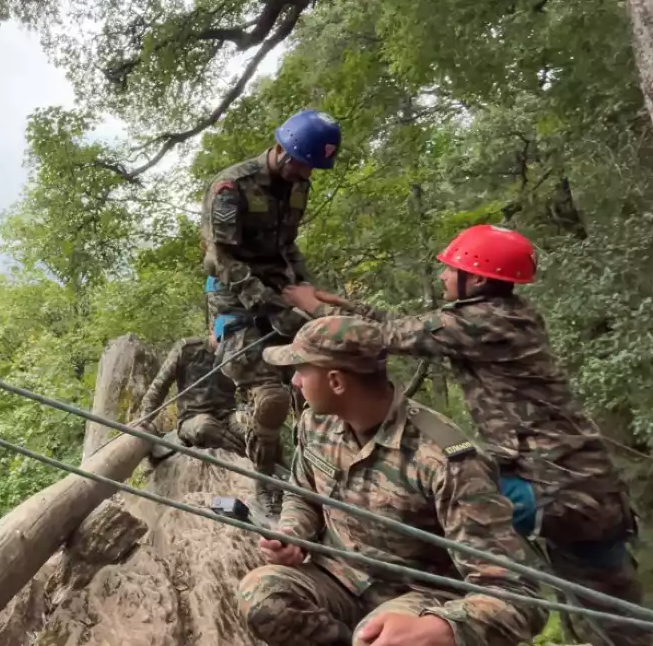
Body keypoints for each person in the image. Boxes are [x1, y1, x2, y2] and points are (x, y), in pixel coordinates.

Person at [283, 225, 643, 646]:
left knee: (443, 525)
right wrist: (344, 303)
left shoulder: (488, 321)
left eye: (452, 269)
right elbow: (407, 326)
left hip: (559, 487)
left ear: (479, 279)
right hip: (566, 481)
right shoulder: (498, 316)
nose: (442, 276)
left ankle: (433, 618)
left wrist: (315, 312)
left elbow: (387, 338)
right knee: (599, 616)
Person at [236, 315, 545, 646]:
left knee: (375, 638)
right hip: (338, 576)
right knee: (262, 595)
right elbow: (302, 496)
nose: (295, 381)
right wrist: (292, 534)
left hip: (418, 593)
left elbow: (518, 594)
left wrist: (441, 628)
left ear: (336, 382)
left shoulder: (444, 458)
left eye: (301, 370)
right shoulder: (315, 424)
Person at [200, 109, 341, 514]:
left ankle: (313, 474)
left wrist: (304, 289)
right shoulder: (231, 187)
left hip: (281, 289)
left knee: (316, 383)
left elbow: (288, 246)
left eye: (315, 168)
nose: (307, 176)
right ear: (282, 150)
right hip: (235, 293)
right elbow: (219, 260)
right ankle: (266, 486)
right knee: (271, 397)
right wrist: (269, 305)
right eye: (303, 165)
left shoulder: (298, 184)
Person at [138, 307, 247, 458]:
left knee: (254, 429)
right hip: (192, 420)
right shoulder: (187, 349)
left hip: (226, 417)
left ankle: (281, 472)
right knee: (205, 426)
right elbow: (160, 385)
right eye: (221, 338)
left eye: (230, 338)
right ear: (211, 329)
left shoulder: (238, 355)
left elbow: (248, 390)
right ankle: (240, 452)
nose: (225, 343)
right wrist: (145, 416)